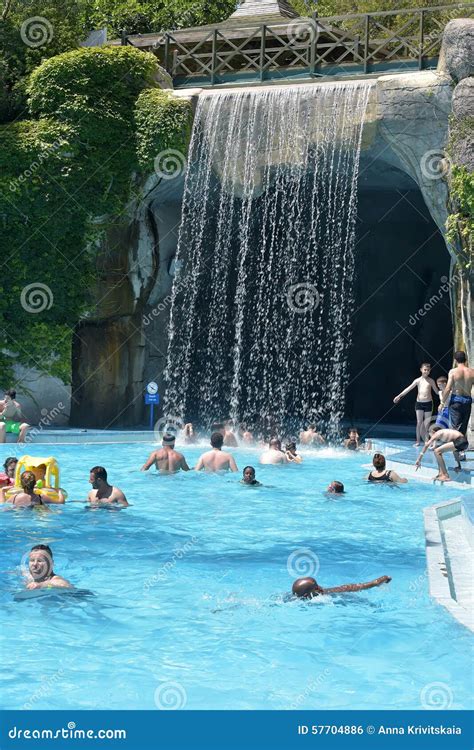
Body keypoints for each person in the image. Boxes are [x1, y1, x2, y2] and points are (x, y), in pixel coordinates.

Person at [393, 364, 439, 446]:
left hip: (428, 403)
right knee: (419, 422)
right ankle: (418, 441)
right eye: (425, 369)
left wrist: (445, 392)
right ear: (421, 370)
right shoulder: (418, 380)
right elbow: (408, 388)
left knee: (426, 423)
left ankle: (425, 440)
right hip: (419, 403)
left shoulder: (431, 381)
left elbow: (436, 391)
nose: (426, 371)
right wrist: (399, 396)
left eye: (428, 370)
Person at [440, 351, 473, 438]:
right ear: (465, 359)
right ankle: (460, 449)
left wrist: (442, 403)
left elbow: (447, 388)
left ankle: (457, 448)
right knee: (464, 426)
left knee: (455, 427)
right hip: (467, 401)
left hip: (456, 401)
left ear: (455, 360)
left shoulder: (453, 372)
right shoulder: (472, 372)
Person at [292, 574, 391, 599]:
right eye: (317, 588)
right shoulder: (325, 595)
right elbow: (348, 588)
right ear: (306, 595)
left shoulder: (288, 599)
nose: (320, 587)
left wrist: (373, 583)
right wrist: (373, 583)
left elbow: (348, 587)